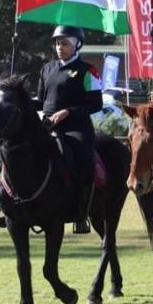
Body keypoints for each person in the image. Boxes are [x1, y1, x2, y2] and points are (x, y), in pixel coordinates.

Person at [36, 25, 102, 234]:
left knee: (84, 161)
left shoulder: (88, 70)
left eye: (64, 43)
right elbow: (39, 101)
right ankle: (7, 206)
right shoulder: (46, 69)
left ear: (77, 45)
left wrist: (67, 112)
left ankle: (81, 215)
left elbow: (96, 104)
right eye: (57, 43)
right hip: (46, 125)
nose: (59, 47)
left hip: (75, 128)